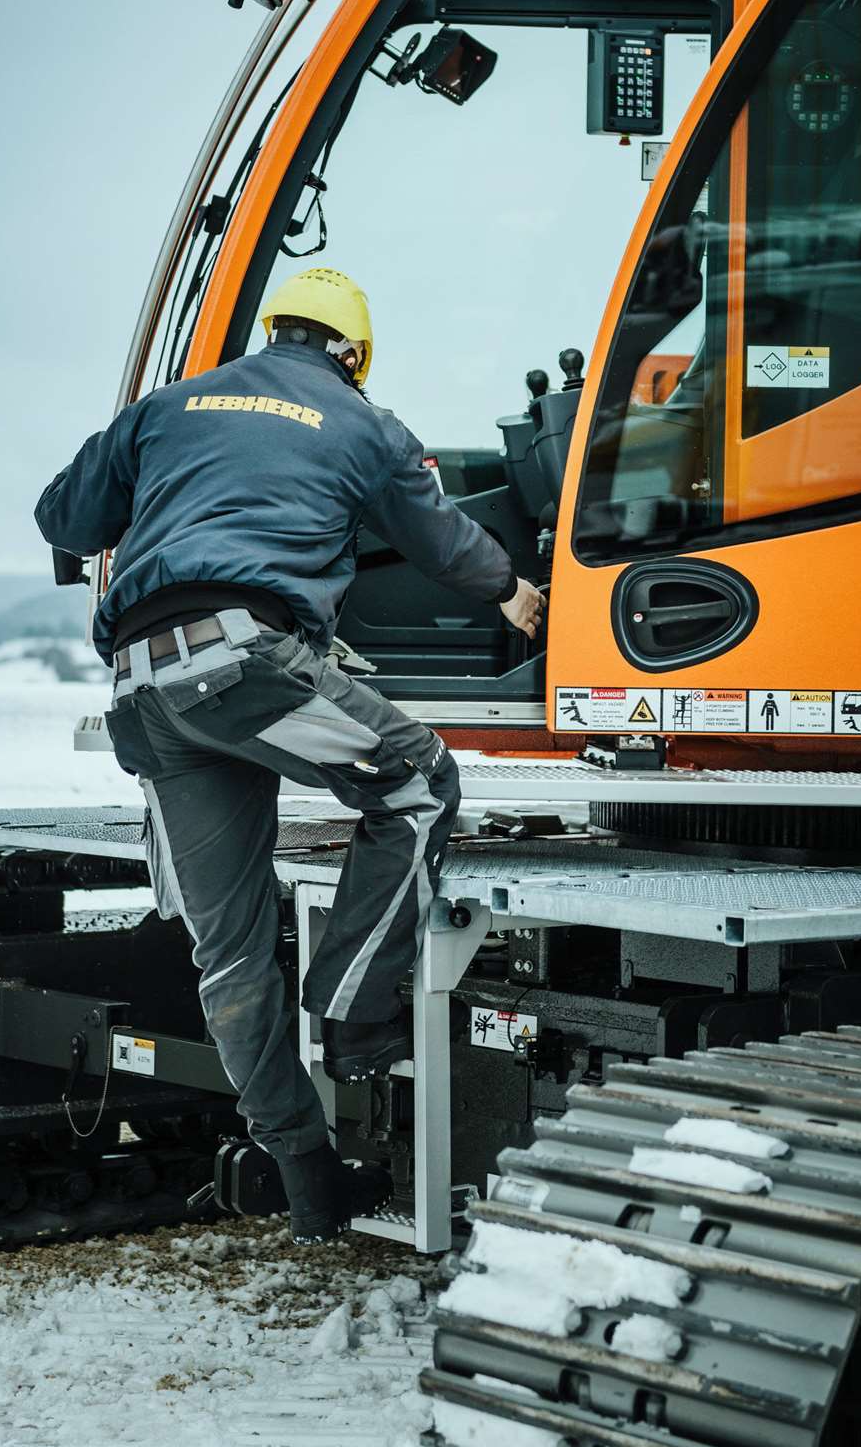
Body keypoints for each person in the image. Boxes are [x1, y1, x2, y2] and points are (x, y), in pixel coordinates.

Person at [35, 267, 545, 1242]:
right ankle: (356, 1013)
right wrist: (512, 592)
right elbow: (436, 536)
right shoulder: (361, 422)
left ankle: (309, 1181)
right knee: (420, 784)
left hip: (146, 693)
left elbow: (64, 517)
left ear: (275, 333)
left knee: (228, 954)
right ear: (353, 355)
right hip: (242, 666)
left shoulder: (170, 406)